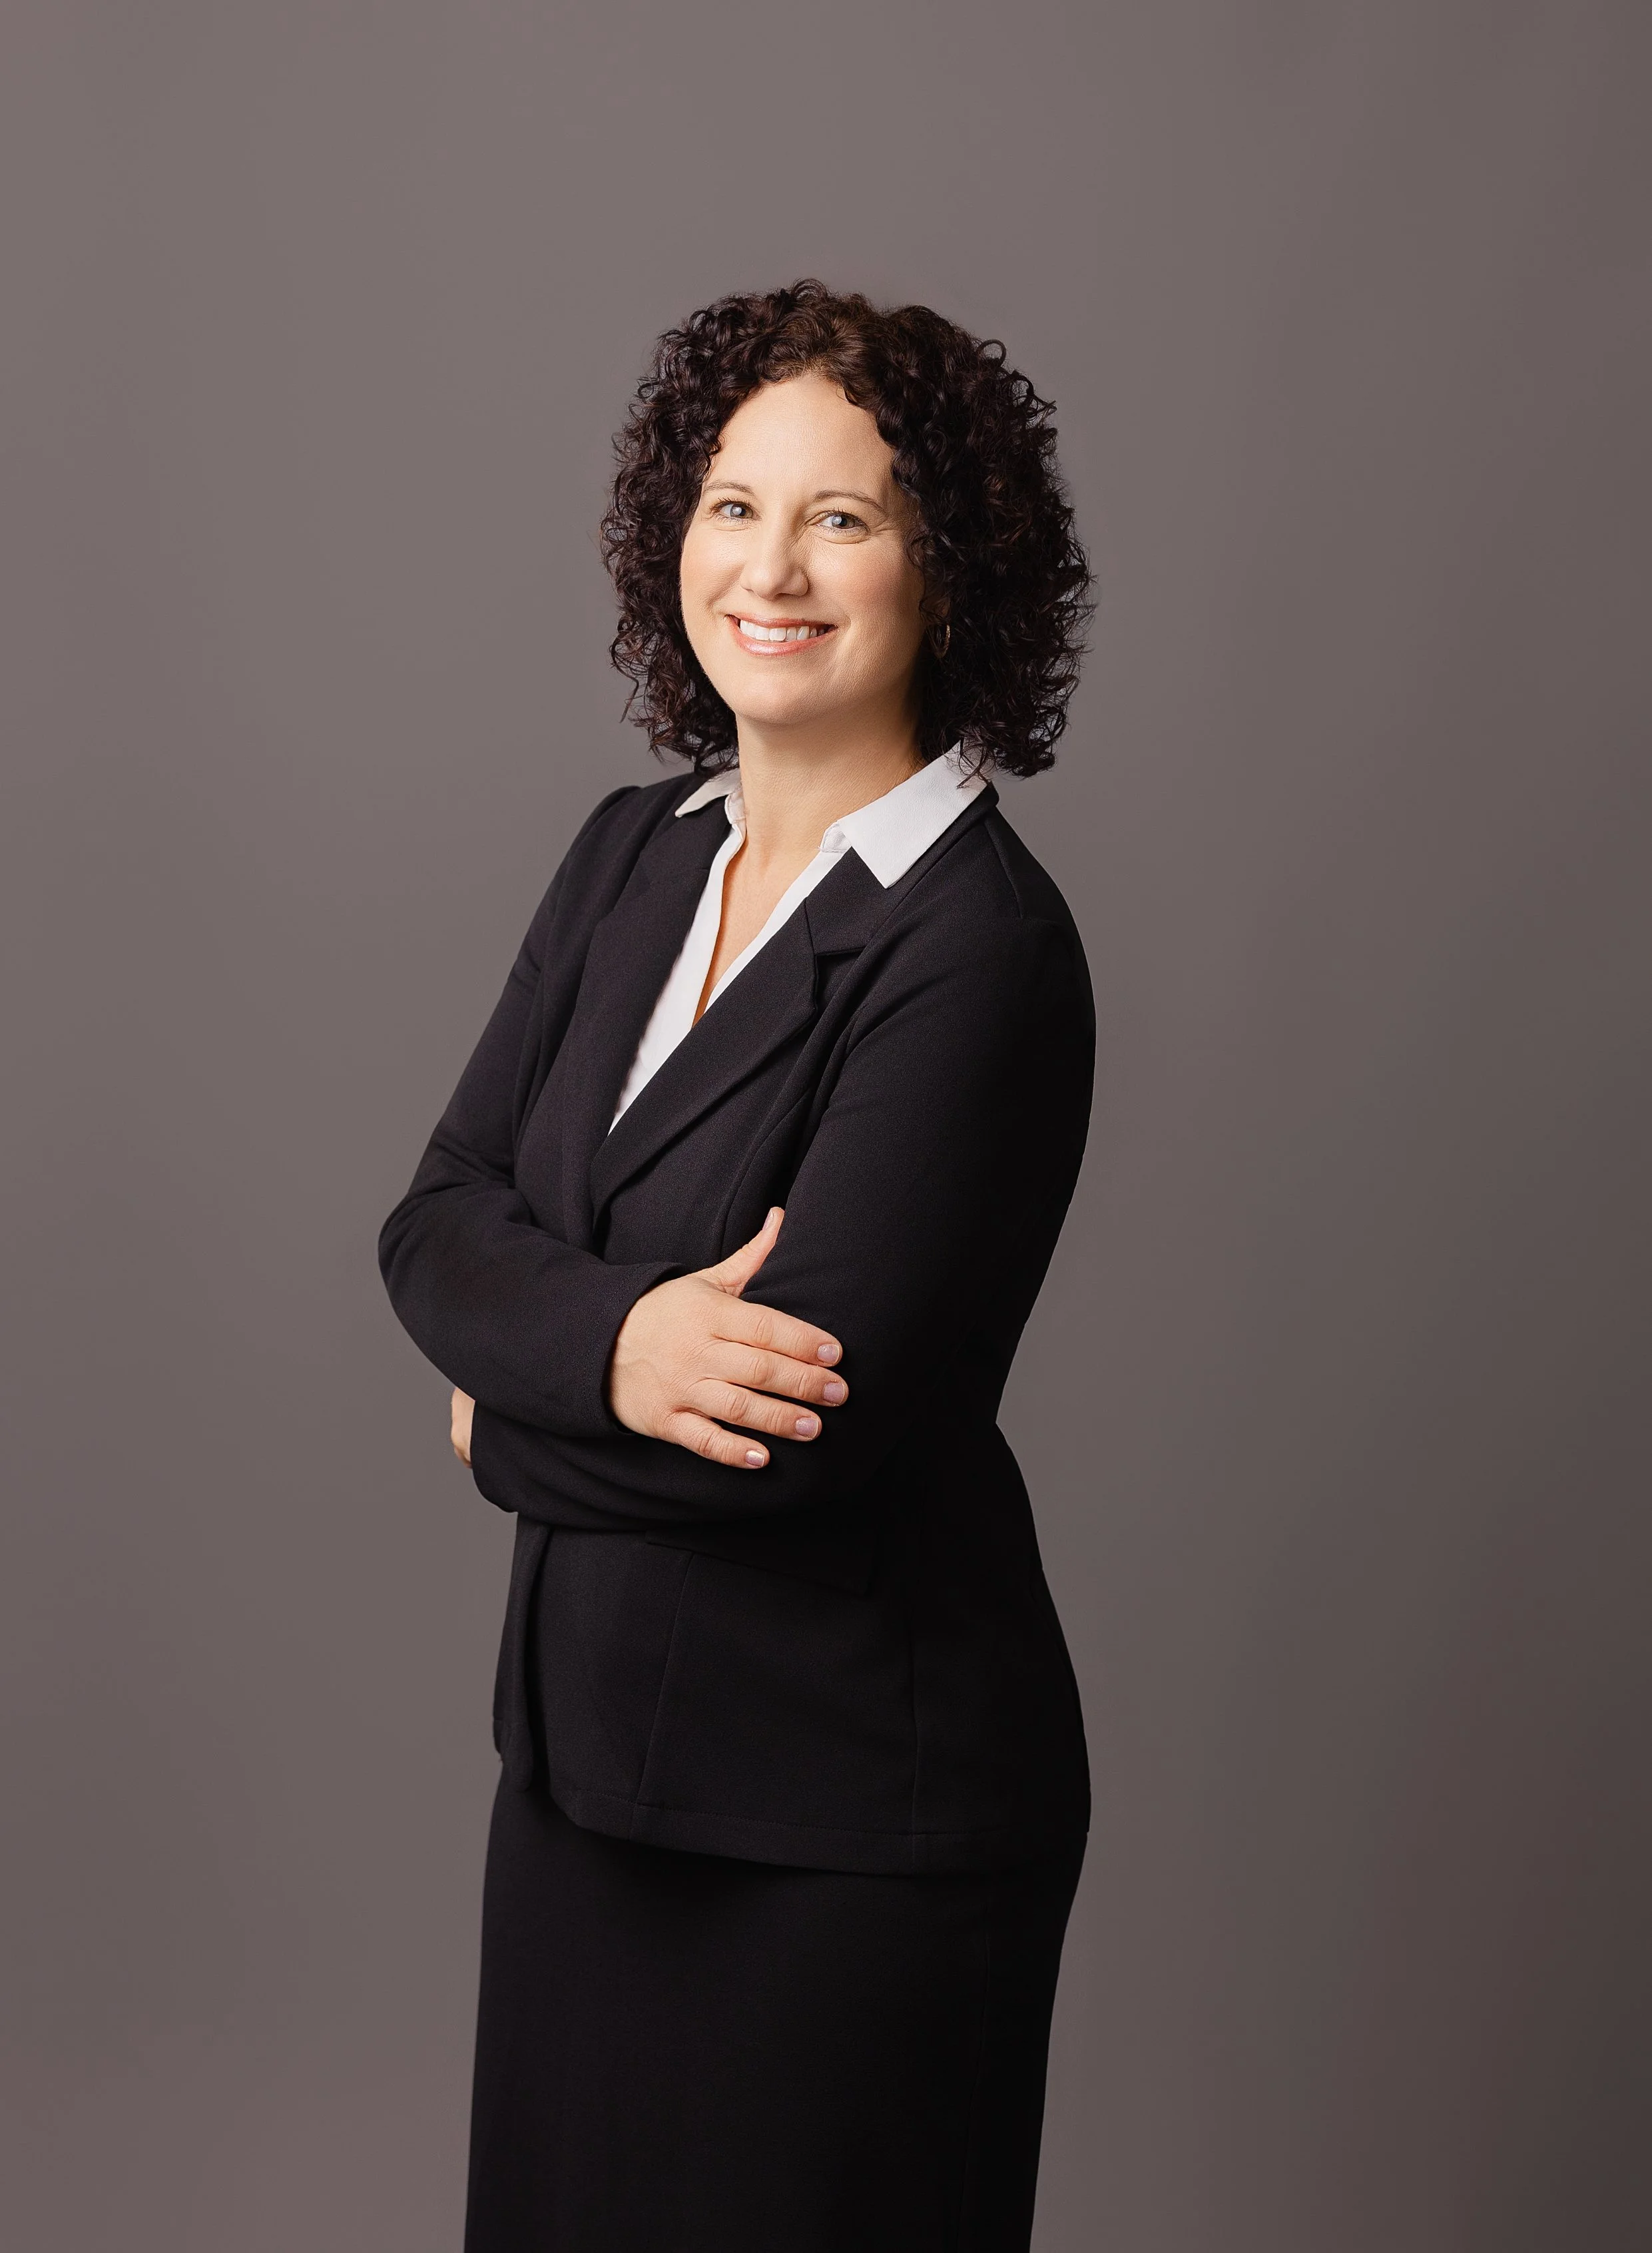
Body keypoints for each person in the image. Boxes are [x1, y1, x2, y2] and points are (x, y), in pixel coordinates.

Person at [378, 279, 1096, 2253]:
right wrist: (616, 1344)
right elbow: (433, 1214)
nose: (770, 566)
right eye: (729, 503)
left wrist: (503, 1408)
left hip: (852, 1835)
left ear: (952, 569)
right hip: (587, 1793)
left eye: (845, 517)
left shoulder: (980, 953)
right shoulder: (629, 854)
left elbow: (799, 1424)